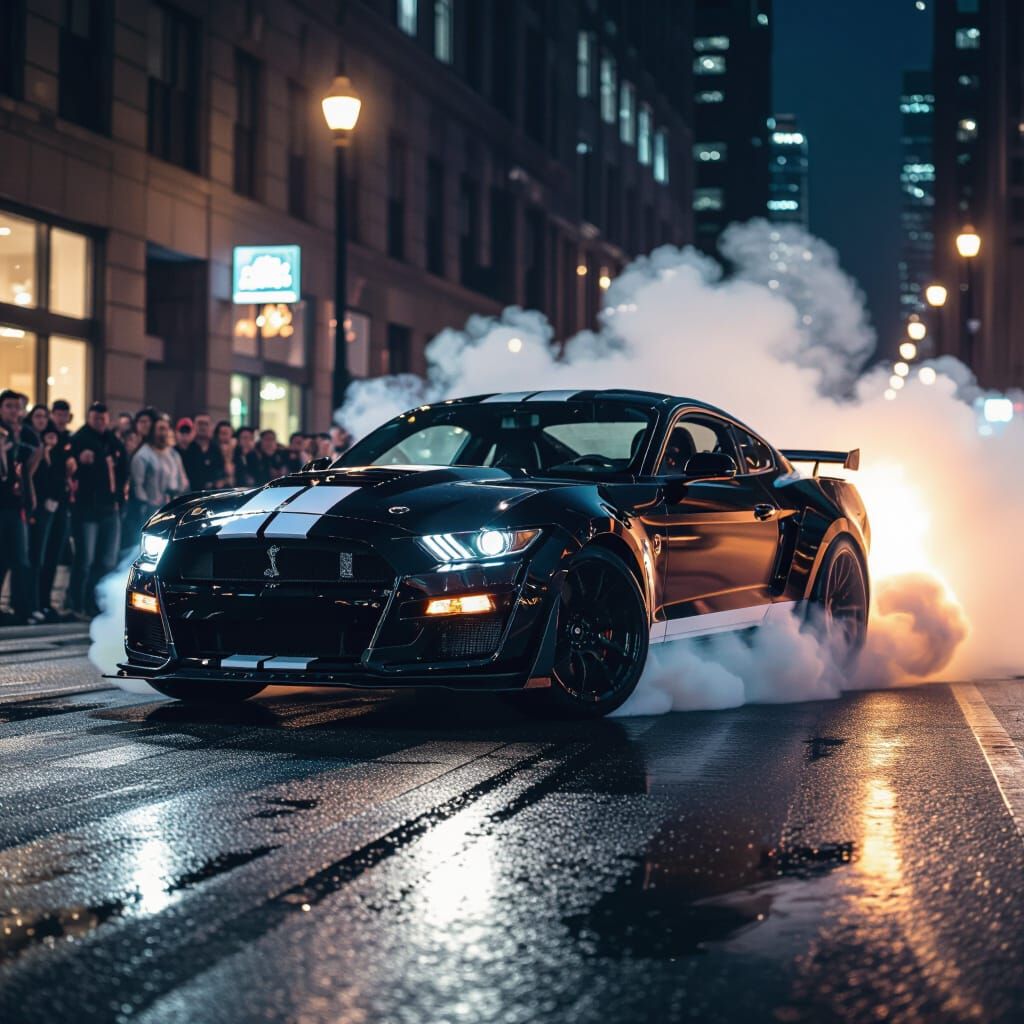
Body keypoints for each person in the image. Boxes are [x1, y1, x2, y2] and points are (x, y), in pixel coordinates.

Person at [67, 402, 127, 618]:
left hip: (110, 508)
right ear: (89, 418)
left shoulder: (113, 442)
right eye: (96, 418)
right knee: (85, 559)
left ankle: (96, 602)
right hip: (87, 509)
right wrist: (80, 462)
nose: (100, 422)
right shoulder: (79, 440)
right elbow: (69, 470)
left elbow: (124, 470)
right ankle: (76, 603)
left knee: (107, 560)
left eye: (103, 418)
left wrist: (119, 498)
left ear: (108, 419)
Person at [38, 399, 76, 618]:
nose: (61, 418)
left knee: (53, 555)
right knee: (41, 555)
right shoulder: (48, 435)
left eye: (64, 414)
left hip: (62, 502)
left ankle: (46, 602)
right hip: (47, 502)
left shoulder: (68, 438)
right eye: (58, 414)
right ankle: (38, 602)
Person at [0, 390, 35, 623]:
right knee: (4, 559)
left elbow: (32, 457)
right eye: (9, 406)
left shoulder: (20, 432)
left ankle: (21, 609)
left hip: (16, 504)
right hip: (2, 504)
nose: (14, 410)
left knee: (20, 559)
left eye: (17, 406)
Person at [27, 422, 67, 621]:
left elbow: (61, 478)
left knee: (51, 558)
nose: (51, 439)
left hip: (57, 508)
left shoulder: (60, 453)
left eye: (54, 436)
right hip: (40, 509)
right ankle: (33, 603)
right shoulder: (35, 449)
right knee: (37, 558)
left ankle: (44, 602)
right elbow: (33, 477)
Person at [130, 418, 189, 527]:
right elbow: (137, 485)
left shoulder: (174, 454)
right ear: (153, 431)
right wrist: (147, 504)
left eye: (166, 429)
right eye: (161, 429)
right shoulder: (143, 455)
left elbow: (182, 479)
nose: (164, 433)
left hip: (173, 510)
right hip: (151, 513)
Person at [181, 413, 226, 492]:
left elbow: (221, 473)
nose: (203, 427)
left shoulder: (216, 449)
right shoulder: (186, 449)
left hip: (213, 495)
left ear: (211, 427)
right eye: (200, 423)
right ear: (194, 426)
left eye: (206, 424)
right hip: (191, 494)